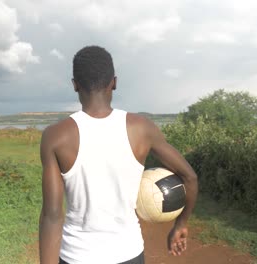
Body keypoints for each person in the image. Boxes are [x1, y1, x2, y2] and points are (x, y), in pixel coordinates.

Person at [39, 45, 198, 264]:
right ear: (114, 82)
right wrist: (181, 224)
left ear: (75, 85)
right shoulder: (142, 128)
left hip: (76, 256)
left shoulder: (56, 136)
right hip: (128, 253)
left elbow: (52, 214)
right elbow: (190, 177)